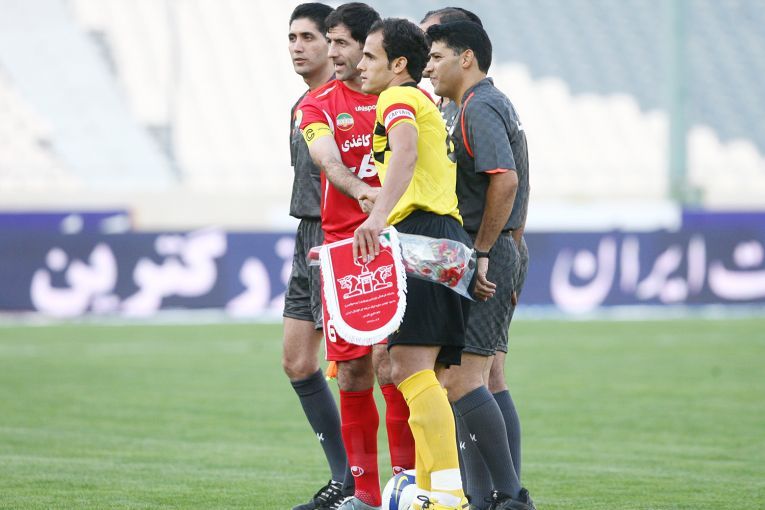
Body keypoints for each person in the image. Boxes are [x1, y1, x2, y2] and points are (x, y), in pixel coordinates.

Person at [298, 4, 415, 509]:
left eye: (342, 43)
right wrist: (361, 192)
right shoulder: (316, 104)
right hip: (344, 252)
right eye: (330, 42)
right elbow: (325, 157)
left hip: (396, 246)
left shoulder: (403, 99)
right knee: (351, 373)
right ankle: (365, 495)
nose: (334, 53)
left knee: (394, 367)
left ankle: (408, 486)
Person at [354, 17, 472, 510]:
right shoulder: (422, 101)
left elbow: (403, 154)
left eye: (369, 56)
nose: (360, 65)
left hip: (423, 235)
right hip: (444, 237)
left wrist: (378, 216)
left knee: (408, 366)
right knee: (424, 373)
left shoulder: (397, 98)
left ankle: (447, 494)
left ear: (399, 64)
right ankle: (430, 489)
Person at [425, 21, 534, 510]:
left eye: (436, 56)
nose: (428, 66)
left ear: (465, 57)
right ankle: (486, 496)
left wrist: (483, 251)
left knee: (464, 380)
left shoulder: (480, 105)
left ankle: (510, 496)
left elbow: (505, 181)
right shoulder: (474, 104)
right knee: (482, 379)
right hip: (486, 250)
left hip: (483, 253)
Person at [284, 5, 353, 510]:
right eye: (292, 38)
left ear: (332, 44)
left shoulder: (350, 100)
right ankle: (344, 476)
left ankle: (364, 480)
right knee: (296, 361)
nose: (297, 47)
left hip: (338, 238)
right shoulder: (300, 105)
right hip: (305, 236)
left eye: (308, 37)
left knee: (358, 368)